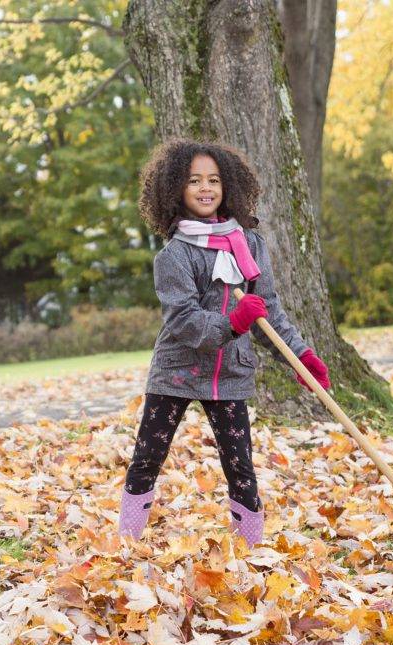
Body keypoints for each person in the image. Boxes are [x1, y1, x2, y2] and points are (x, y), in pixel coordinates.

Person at [118, 138, 331, 545]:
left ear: (227, 186)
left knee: (240, 465)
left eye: (213, 180)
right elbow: (182, 320)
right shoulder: (174, 256)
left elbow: (267, 310)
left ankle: (252, 548)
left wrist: (302, 357)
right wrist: (232, 323)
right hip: (177, 373)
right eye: (194, 180)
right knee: (147, 458)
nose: (205, 188)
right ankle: (126, 543)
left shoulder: (249, 245)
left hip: (229, 373)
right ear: (175, 189)